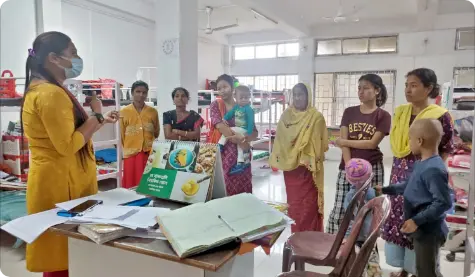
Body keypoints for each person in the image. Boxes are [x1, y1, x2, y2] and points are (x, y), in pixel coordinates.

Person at [21, 31, 119, 277]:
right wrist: (96, 114)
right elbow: (67, 144)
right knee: (63, 256)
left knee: (64, 255)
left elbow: (70, 133)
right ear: (54, 58)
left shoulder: (46, 89)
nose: (76, 59)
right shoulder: (50, 94)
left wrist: (98, 120)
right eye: (72, 53)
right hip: (59, 183)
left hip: (58, 177)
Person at [383, 68, 454, 277]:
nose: (408, 90)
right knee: (401, 222)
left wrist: (431, 173)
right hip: (400, 175)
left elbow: (446, 149)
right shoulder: (401, 112)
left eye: (414, 85)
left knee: (420, 224)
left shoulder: (440, 116)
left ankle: (419, 271)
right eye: (406, 85)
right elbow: (397, 145)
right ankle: (405, 268)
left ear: (429, 88)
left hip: (424, 179)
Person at [378, 119, 452, 277]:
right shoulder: (422, 163)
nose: (409, 143)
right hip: (421, 230)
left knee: (427, 271)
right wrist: (385, 189)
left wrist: (416, 220)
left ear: (420, 141)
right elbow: (409, 186)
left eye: (410, 139)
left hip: (429, 232)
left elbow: (443, 202)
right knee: (423, 268)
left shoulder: (434, 169)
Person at [327, 73, 391, 233]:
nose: (361, 92)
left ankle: (367, 248)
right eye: (359, 88)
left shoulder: (383, 116)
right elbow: (343, 140)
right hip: (347, 167)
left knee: (370, 207)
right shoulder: (349, 112)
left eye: (366, 88)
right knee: (341, 208)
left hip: (372, 168)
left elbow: (371, 144)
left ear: (377, 91)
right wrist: (350, 165)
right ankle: (337, 246)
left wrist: (344, 142)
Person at [269, 83, 328, 232]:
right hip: (291, 170)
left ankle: (311, 238)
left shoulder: (316, 117)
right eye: (294, 94)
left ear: (308, 96)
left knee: (309, 205)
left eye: (301, 94)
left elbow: (321, 143)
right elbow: (281, 140)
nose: (297, 98)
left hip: (308, 170)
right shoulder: (286, 116)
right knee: (294, 204)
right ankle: (297, 237)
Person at [208, 74, 258, 195]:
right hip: (224, 153)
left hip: (242, 151)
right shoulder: (216, 105)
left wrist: (244, 140)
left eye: (225, 86)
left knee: (243, 186)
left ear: (232, 88)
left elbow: (254, 132)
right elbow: (219, 125)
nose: (222, 91)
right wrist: (236, 138)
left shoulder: (243, 106)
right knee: (225, 187)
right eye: (219, 88)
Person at [120, 80, 159, 189]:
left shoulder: (153, 112)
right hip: (131, 153)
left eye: (144, 92)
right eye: (138, 91)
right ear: (132, 93)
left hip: (148, 152)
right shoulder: (124, 112)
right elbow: (122, 135)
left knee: (148, 181)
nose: (141, 95)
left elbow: (156, 131)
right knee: (131, 183)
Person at [218, 85, 255, 173]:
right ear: (235, 97)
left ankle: (220, 145)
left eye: (246, 97)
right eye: (241, 98)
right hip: (240, 129)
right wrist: (224, 118)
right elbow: (230, 114)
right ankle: (240, 163)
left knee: (230, 130)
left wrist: (248, 133)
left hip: (244, 130)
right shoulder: (237, 107)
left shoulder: (249, 109)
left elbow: (251, 122)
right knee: (240, 147)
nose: (244, 100)